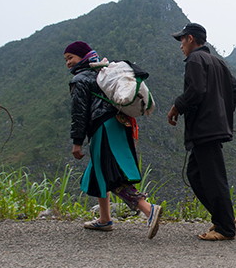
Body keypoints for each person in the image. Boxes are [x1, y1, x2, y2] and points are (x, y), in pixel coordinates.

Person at [65, 41, 163, 236]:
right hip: (120, 124)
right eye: (66, 59)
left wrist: (77, 142)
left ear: (82, 57)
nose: (68, 62)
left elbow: (79, 113)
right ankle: (104, 219)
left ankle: (149, 210)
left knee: (112, 173)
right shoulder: (103, 74)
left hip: (104, 128)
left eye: (71, 58)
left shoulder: (81, 79)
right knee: (99, 171)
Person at [166, 23, 236, 241]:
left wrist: (176, 107)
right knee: (196, 174)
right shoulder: (217, 61)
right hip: (212, 127)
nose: (181, 45)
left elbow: (196, 90)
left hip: (204, 129)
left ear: (190, 39)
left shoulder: (195, 59)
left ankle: (225, 227)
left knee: (212, 178)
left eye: (182, 40)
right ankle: (223, 217)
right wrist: (220, 110)